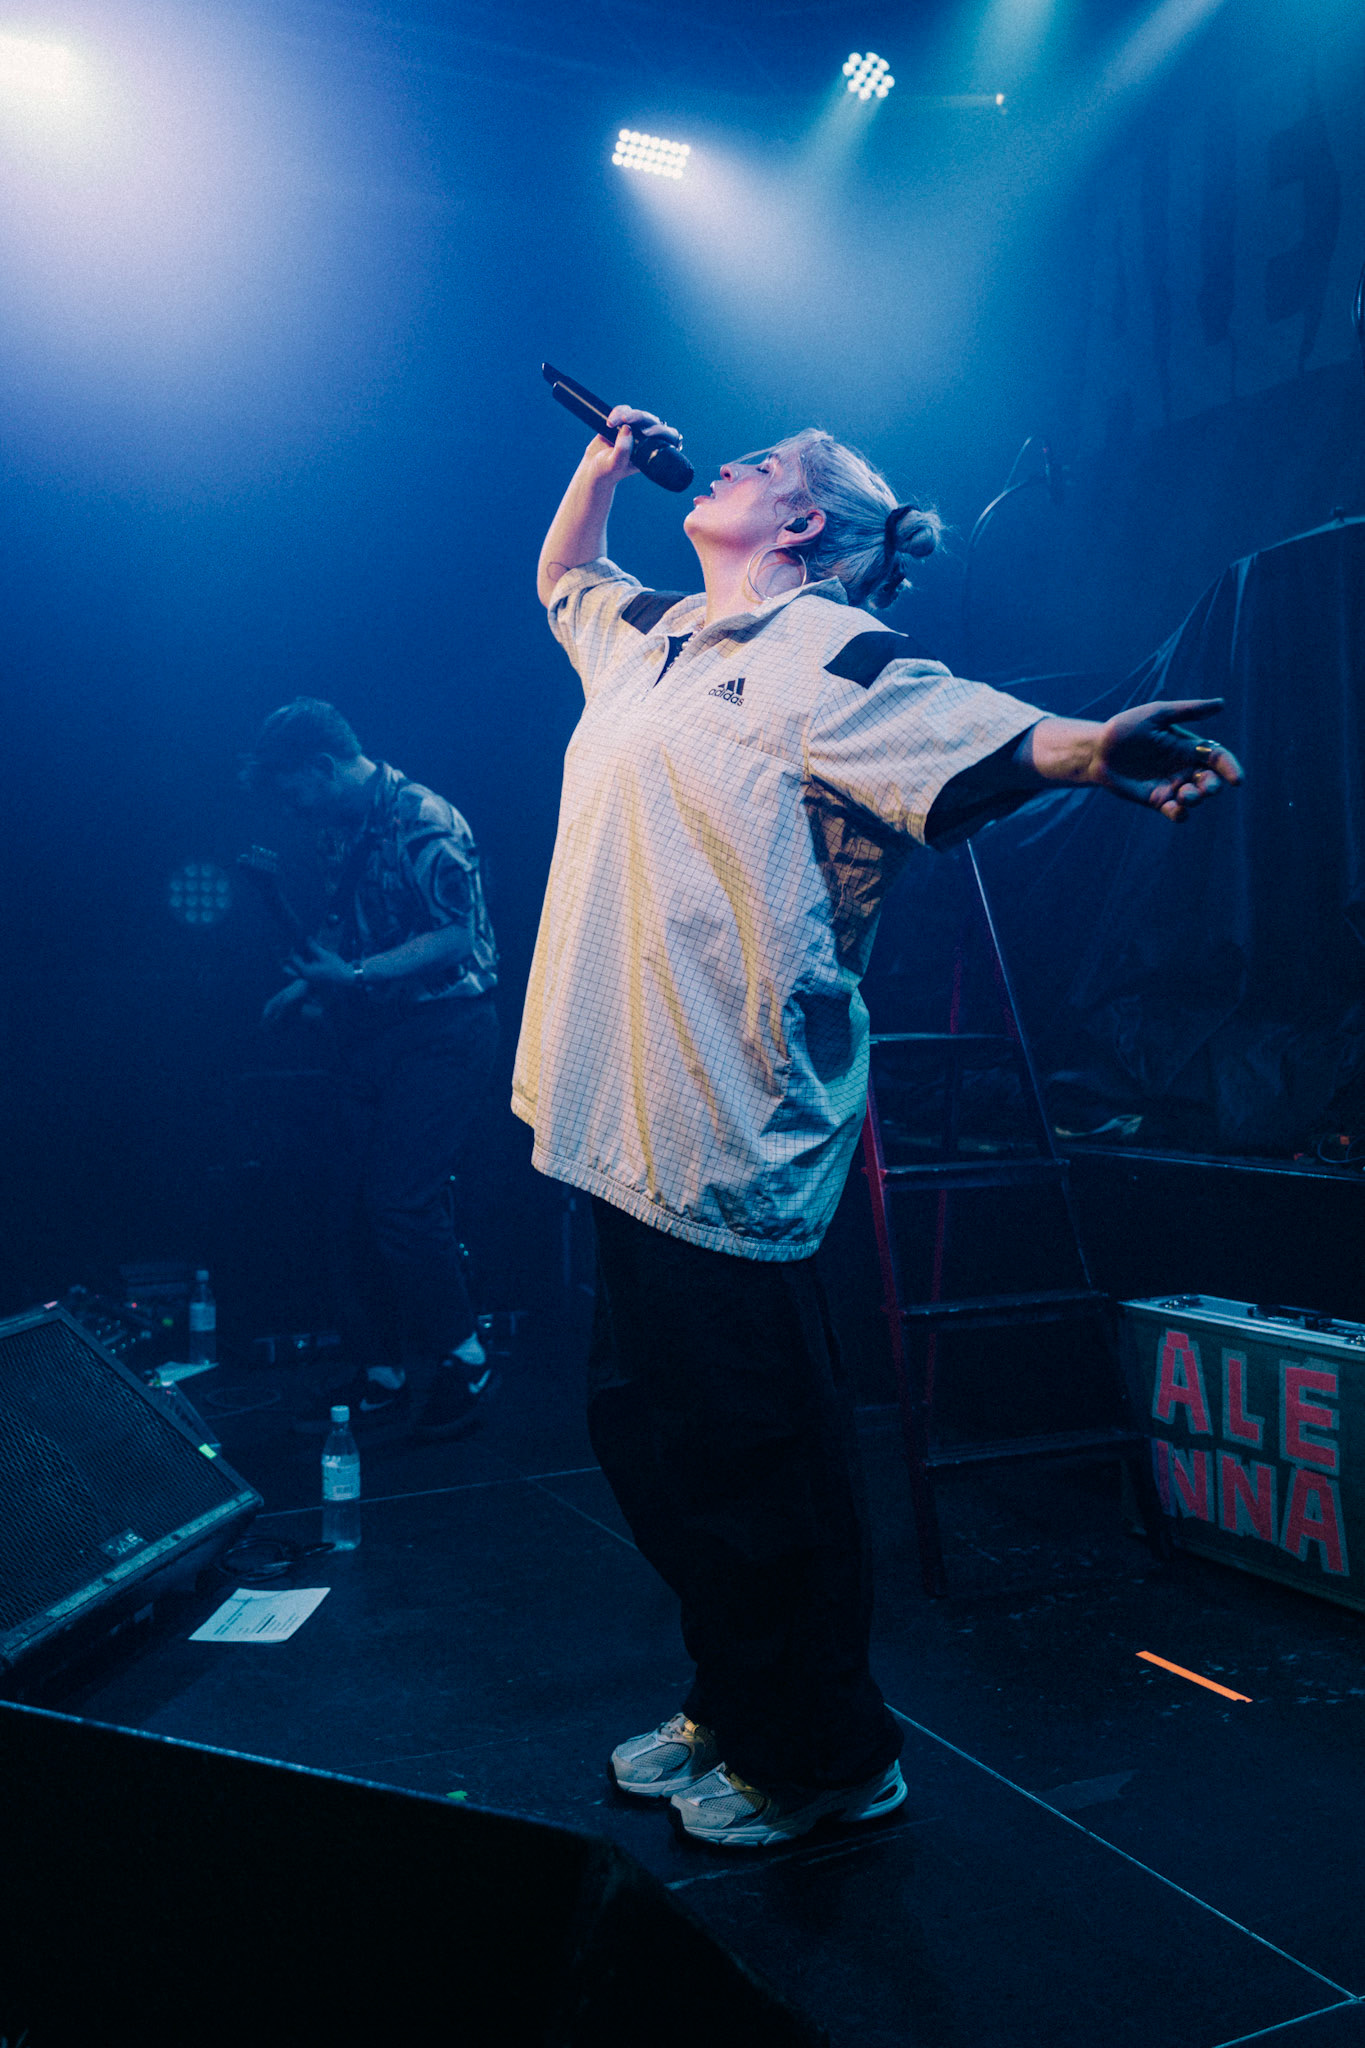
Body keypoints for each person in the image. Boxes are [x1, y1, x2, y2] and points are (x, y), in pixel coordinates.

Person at [515, 407, 1241, 1850]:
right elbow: (567, 582)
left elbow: (978, 730)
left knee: (758, 1471)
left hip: (721, 1130)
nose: (728, 462)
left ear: (801, 526)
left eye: (763, 465)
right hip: (615, 1114)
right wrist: (599, 471)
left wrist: (1096, 746)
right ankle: (737, 1699)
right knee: (657, 1450)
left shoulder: (833, 655)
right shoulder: (657, 638)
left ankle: (832, 1757)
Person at [243, 697, 500, 1441]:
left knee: (401, 1201)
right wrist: (307, 984)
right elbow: (341, 920)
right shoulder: (337, 828)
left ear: (323, 767)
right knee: (352, 1205)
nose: (288, 808)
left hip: (445, 1030)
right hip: (374, 1032)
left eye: (291, 789)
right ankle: (382, 1374)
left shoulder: (425, 820)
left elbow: (456, 937)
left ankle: (466, 1361)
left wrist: (353, 976)